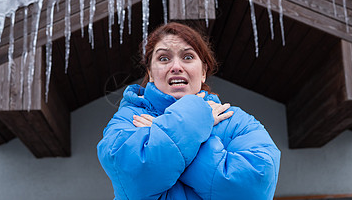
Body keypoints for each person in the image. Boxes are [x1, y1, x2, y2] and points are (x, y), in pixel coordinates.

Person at [97, 22, 280, 200]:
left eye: (188, 57)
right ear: (151, 73)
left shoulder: (234, 120)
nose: (176, 67)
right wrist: (193, 120)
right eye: (163, 58)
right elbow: (135, 175)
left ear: (203, 72)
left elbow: (255, 185)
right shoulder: (129, 119)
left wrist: (163, 132)